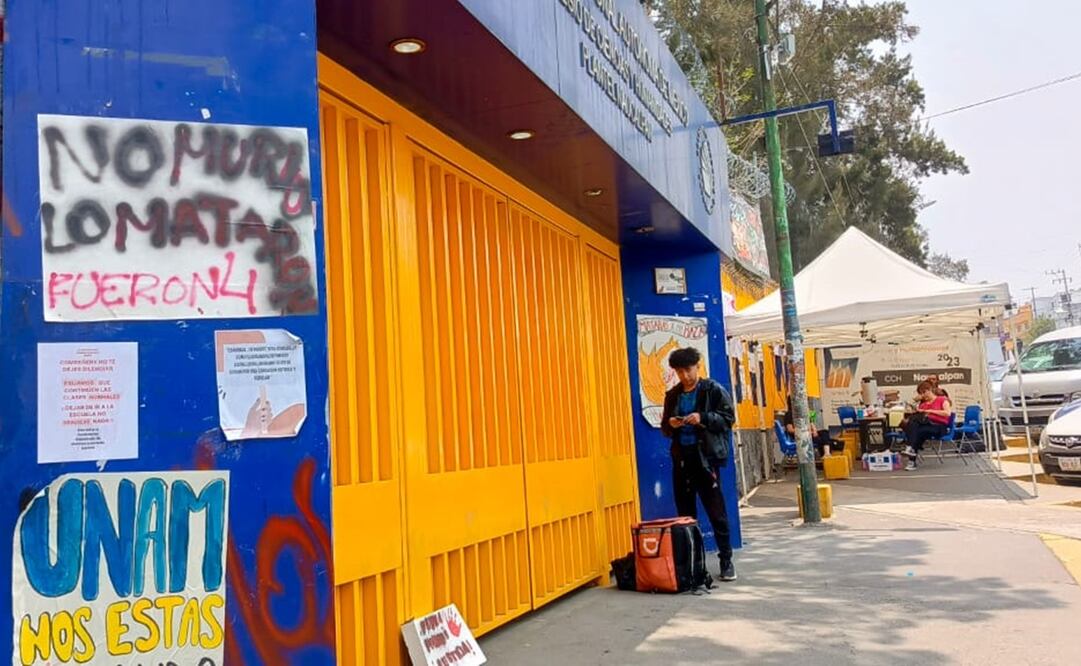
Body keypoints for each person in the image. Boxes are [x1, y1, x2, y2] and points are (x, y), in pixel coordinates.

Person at [660, 347, 738, 582]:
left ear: (697, 366)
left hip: (705, 459)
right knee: (685, 514)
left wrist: (702, 418)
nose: (685, 376)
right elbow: (664, 426)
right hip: (681, 458)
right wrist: (672, 423)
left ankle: (726, 560)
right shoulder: (673, 395)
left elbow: (728, 419)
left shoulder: (712, 389)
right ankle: (694, 564)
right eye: (680, 371)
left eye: (688, 370)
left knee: (717, 512)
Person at [902, 380, 953, 471]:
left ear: (929, 390)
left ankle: (910, 449)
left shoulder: (942, 399)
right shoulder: (923, 405)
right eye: (921, 394)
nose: (923, 395)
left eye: (924, 392)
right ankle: (911, 455)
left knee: (915, 426)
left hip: (939, 426)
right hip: (926, 427)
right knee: (915, 428)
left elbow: (947, 413)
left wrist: (929, 411)